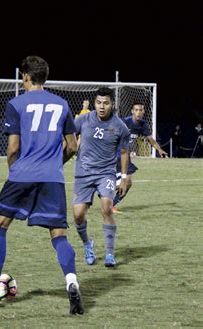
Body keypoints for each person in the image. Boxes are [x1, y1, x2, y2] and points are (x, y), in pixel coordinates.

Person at [0, 56, 84, 315]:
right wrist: (55, 164)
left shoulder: (16, 103)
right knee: (58, 235)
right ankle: (72, 282)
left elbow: (13, 148)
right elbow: (72, 146)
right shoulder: (62, 104)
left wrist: (15, 171)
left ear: (25, 75)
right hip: (53, 178)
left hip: (22, 174)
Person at [72, 87, 131, 268]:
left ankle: (109, 253)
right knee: (78, 215)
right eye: (99, 103)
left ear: (112, 104)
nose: (102, 106)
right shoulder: (83, 119)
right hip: (83, 173)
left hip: (105, 173)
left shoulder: (120, 126)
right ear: (94, 103)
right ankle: (87, 245)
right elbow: (67, 133)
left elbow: (123, 152)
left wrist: (123, 176)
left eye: (106, 103)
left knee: (107, 207)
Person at [112, 102, 168, 213]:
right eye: (136, 110)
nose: (138, 112)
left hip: (125, 156)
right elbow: (111, 131)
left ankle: (110, 203)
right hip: (115, 155)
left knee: (127, 182)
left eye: (140, 110)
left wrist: (160, 150)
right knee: (125, 181)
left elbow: (150, 139)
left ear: (143, 112)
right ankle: (106, 198)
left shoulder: (143, 124)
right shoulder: (124, 122)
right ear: (132, 111)